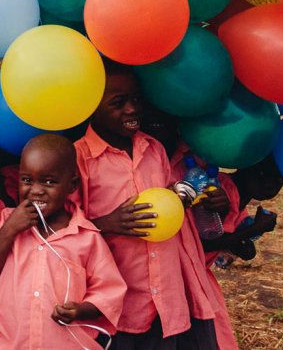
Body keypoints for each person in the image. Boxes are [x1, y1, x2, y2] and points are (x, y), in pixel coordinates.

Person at [74, 62, 235, 350]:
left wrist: (207, 203)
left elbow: (174, 210)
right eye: (118, 102)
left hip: (164, 300)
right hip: (115, 305)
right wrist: (106, 224)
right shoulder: (80, 159)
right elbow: (62, 232)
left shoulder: (153, 149)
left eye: (136, 99)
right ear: (90, 105)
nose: (132, 109)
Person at [0, 134, 125, 350]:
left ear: (72, 185)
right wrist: (10, 230)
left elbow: (109, 292)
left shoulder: (86, 237)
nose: (36, 190)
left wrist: (80, 310)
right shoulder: (6, 224)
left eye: (49, 182)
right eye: (27, 180)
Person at [202, 156, 282, 265]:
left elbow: (225, 239)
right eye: (262, 174)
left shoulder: (240, 198)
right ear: (245, 167)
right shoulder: (220, 190)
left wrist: (242, 247)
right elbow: (202, 245)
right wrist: (253, 230)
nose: (269, 186)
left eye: (278, 180)